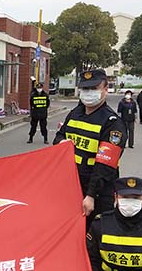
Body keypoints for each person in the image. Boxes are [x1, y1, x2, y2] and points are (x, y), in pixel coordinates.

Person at [53, 69, 127, 226]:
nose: (88, 93)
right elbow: (59, 137)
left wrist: (91, 195)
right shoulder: (75, 113)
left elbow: (105, 166)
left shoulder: (112, 123)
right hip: (71, 186)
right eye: (85, 88)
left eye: (94, 88)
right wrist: (62, 142)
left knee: (93, 233)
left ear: (105, 89)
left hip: (97, 192)